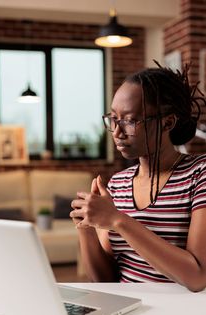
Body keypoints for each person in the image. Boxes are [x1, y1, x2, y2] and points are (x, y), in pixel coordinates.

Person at [70, 61, 206, 292]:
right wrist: (86, 228)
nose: (117, 132)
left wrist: (117, 220)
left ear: (167, 122)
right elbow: (106, 280)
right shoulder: (118, 184)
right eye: (113, 119)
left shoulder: (199, 175)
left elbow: (197, 277)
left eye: (130, 121)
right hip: (129, 309)